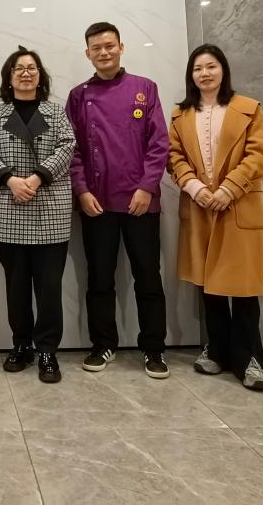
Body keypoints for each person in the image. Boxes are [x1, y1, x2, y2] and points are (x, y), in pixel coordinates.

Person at [65, 21, 171, 378]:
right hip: (96, 203)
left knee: (148, 278)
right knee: (99, 279)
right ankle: (103, 344)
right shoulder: (78, 96)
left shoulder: (145, 88)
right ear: (88, 53)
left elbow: (159, 143)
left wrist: (146, 187)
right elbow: (72, 150)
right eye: (96, 48)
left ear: (121, 48)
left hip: (141, 201)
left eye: (109, 45)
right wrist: (82, 190)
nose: (104, 52)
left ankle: (154, 349)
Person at [168, 44, 263, 391]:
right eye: (198, 69)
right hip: (199, 206)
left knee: (244, 287)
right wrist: (194, 186)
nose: (205, 74)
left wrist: (229, 189)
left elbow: (258, 155)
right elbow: (174, 156)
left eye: (211, 66)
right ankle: (216, 349)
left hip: (238, 206)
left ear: (223, 70)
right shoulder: (181, 115)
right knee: (208, 285)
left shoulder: (248, 109)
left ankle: (250, 359)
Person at [0, 48, 75, 383]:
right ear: (9, 77)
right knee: (16, 286)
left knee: (49, 288)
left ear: (40, 75)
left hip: (50, 209)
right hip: (10, 208)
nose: (25, 73)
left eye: (32, 68)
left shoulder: (55, 111)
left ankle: (47, 350)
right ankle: (21, 345)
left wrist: (35, 178)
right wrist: (9, 179)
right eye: (18, 68)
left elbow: (67, 146)